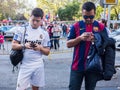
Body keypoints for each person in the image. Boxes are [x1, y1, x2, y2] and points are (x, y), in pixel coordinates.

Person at [66, 2, 110, 90]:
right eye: (86, 17)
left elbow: (108, 44)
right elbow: (68, 44)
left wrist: (96, 40)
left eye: (91, 17)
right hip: (77, 65)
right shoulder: (76, 26)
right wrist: (80, 38)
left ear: (95, 14)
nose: (89, 19)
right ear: (82, 13)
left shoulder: (101, 27)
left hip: (93, 66)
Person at [11, 8, 50, 90]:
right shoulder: (21, 30)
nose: (35, 23)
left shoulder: (44, 33)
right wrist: (23, 46)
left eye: (37, 21)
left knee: (35, 88)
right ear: (30, 17)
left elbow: (47, 52)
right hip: (25, 65)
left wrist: (40, 48)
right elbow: (13, 45)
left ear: (41, 20)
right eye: (33, 20)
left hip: (38, 65)